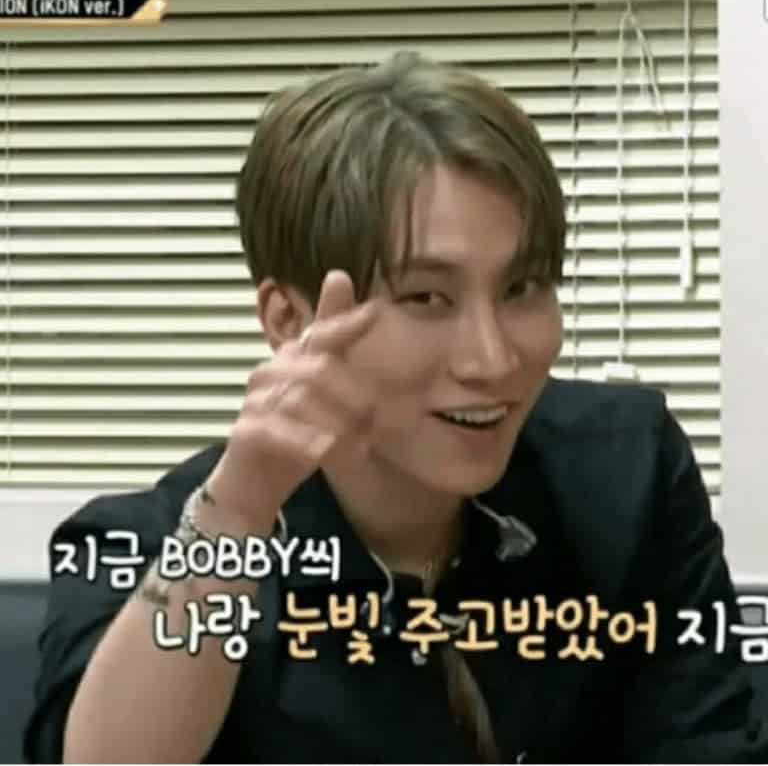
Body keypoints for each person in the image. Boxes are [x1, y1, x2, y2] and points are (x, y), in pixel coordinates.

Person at [23, 52, 767, 764]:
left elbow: (704, 743)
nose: (492, 360)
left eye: (522, 288)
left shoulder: (625, 471)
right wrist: (239, 514)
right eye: (425, 297)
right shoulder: (148, 545)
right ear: (289, 320)